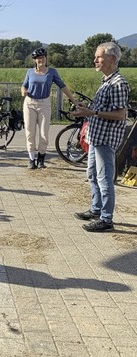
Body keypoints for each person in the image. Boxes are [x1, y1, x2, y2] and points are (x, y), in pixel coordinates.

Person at [72, 42, 130, 232]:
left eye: (99, 57)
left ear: (112, 59)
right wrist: (86, 111)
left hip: (105, 139)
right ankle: (96, 209)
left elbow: (121, 115)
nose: (95, 60)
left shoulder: (118, 83)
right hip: (96, 137)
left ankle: (106, 218)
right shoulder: (106, 81)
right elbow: (101, 110)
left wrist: (93, 112)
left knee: (104, 179)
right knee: (92, 175)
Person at [21, 48, 76, 169]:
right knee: (30, 133)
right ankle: (31, 159)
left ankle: (41, 158)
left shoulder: (52, 72)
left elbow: (62, 86)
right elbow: (24, 85)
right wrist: (23, 91)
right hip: (30, 103)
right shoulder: (30, 72)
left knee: (43, 133)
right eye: (38, 58)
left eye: (43, 57)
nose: (41, 60)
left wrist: (74, 100)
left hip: (44, 103)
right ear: (34, 60)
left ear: (46, 58)